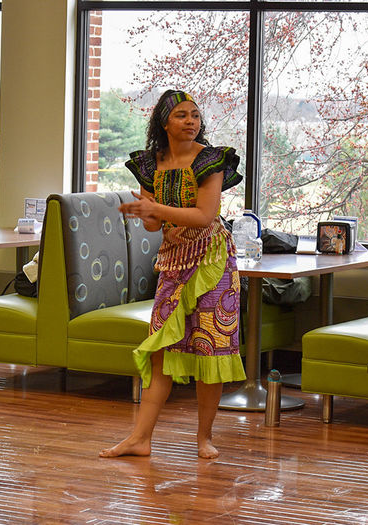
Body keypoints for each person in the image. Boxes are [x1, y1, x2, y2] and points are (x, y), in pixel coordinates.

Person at [99, 90, 246, 459]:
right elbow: (153, 225)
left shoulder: (211, 161)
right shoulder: (150, 165)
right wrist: (145, 214)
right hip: (173, 262)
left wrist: (157, 209)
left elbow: (204, 215)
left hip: (213, 264)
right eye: (182, 115)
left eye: (195, 115)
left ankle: (204, 438)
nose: (191, 121)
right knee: (162, 349)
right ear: (164, 123)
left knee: (209, 349)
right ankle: (139, 438)